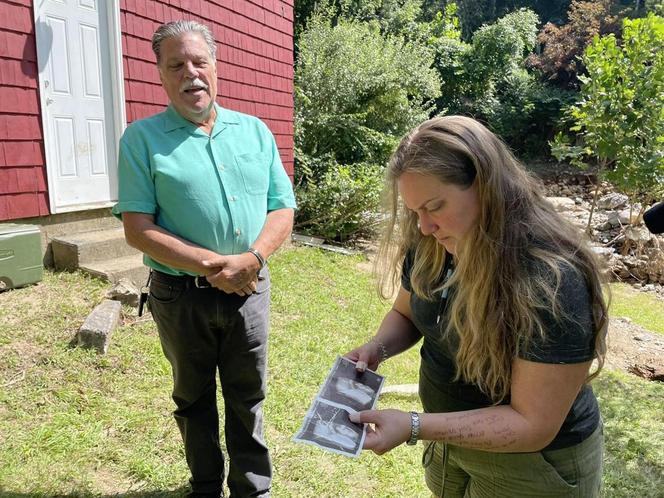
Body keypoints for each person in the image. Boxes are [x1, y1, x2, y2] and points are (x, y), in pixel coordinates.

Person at [344, 116, 608, 497]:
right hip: (449, 444)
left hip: (534, 466)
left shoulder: (550, 276)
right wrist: (378, 347)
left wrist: (416, 426)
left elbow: (533, 424)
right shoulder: (435, 243)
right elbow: (406, 313)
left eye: (434, 206)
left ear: (487, 186)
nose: (424, 228)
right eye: (415, 211)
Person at [112, 20, 296, 498]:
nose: (190, 73)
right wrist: (216, 267)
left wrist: (253, 258)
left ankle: (253, 489)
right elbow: (139, 228)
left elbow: (282, 206)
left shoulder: (254, 131)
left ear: (215, 66)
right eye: (176, 64)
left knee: (246, 396)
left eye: (199, 61)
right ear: (160, 73)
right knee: (193, 399)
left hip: (250, 289)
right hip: (180, 295)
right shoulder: (141, 139)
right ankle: (205, 486)